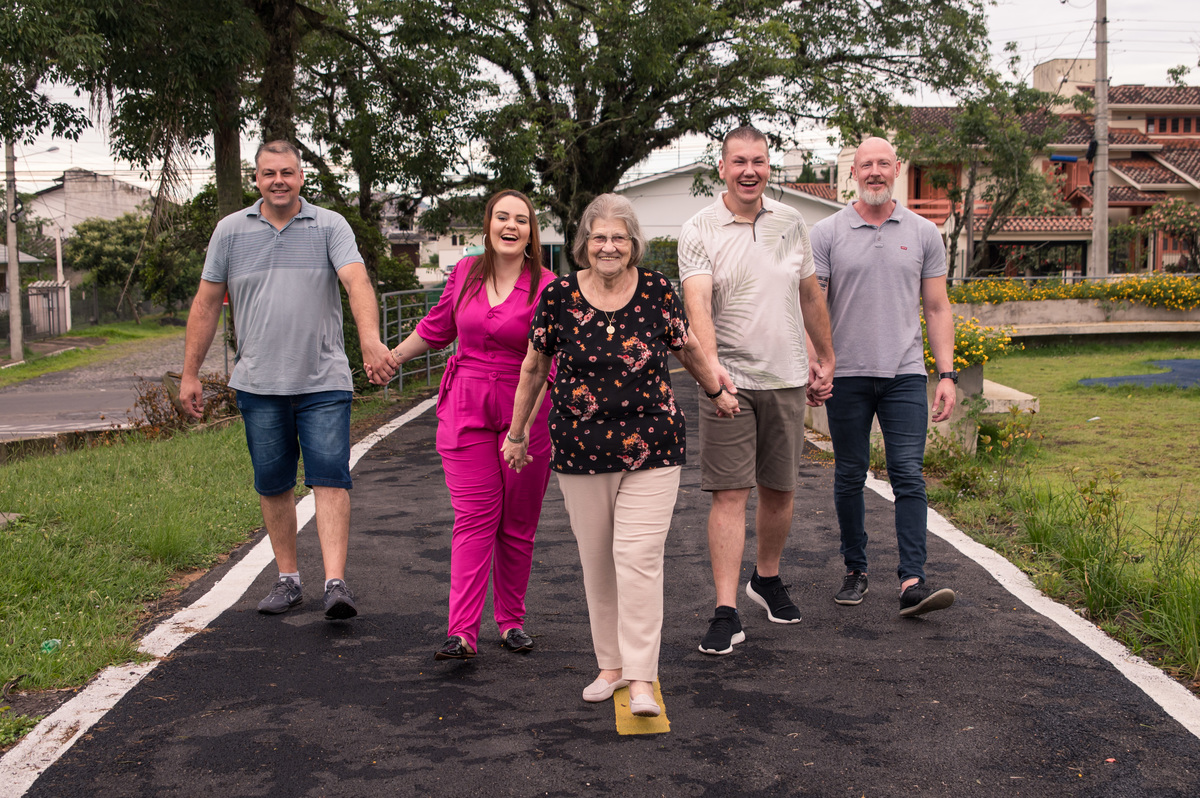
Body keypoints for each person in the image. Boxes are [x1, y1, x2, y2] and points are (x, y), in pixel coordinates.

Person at [502, 194, 739, 717]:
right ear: (584, 244)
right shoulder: (559, 296)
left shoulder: (657, 291)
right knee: (598, 562)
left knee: (638, 558)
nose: (609, 247)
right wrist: (517, 433)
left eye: (620, 238)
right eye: (599, 237)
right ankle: (609, 666)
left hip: (652, 444)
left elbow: (688, 347)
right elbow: (534, 368)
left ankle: (640, 677)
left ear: (634, 245)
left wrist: (717, 391)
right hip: (580, 449)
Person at [180, 140, 397, 621]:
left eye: (288, 172)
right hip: (258, 383)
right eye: (268, 173)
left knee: (330, 478)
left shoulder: (328, 225)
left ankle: (335, 583)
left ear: (301, 177)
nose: (279, 180)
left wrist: (368, 340)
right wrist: (190, 372)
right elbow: (206, 302)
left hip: (323, 380)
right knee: (273, 483)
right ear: (256, 178)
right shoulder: (231, 231)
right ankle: (289, 580)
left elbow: (357, 281)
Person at [374, 190, 556, 660]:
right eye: (502, 217)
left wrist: (522, 429)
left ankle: (511, 620)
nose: (511, 225)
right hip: (467, 404)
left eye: (521, 219)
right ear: (488, 225)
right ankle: (462, 632)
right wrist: (392, 358)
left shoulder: (548, 285)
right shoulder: (464, 273)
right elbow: (436, 329)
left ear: (531, 231)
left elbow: (550, 365)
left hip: (526, 408)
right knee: (476, 517)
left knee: (516, 524)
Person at [677, 125, 835, 656]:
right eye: (739, 161)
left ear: (771, 168)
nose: (750, 170)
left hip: (787, 376)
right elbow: (697, 304)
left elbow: (809, 295)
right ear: (720, 167)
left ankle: (766, 578)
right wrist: (711, 371)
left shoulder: (792, 224)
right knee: (729, 493)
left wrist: (824, 356)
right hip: (729, 381)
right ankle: (726, 611)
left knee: (781, 490)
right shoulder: (699, 228)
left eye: (760, 162)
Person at [809, 136, 957, 617]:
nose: (874, 171)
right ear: (852, 173)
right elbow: (814, 307)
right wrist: (817, 363)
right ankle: (855, 569)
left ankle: (913, 579)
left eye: (883, 163)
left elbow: (936, 307)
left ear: (898, 169)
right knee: (850, 474)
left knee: (908, 474)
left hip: (904, 374)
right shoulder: (827, 232)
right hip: (845, 375)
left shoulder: (923, 232)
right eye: (865, 164)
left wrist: (948, 374)